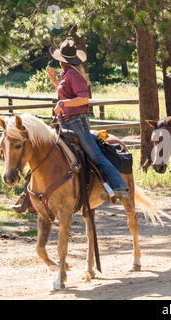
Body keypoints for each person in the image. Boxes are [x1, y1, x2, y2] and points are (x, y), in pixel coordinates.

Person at [47, 39, 129, 201]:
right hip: (67, 122)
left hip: (76, 122)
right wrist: (54, 81)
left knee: (95, 155)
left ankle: (120, 186)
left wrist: (61, 103)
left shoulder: (73, 75)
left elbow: (83, 99)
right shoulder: (67, 74)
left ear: (62, 59)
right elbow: (68, 94)